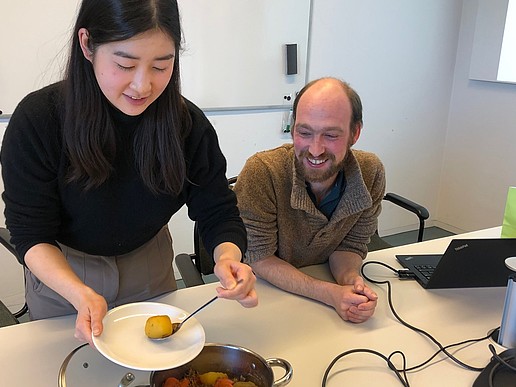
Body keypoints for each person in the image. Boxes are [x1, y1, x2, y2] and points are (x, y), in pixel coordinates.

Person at [1, 0, 257, 346]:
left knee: (156, 370)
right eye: (125, 64)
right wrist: (77, 292)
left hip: (149, 265)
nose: (142, 86)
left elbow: (217, 210)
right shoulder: (39, 121)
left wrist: (228, 258)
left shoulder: (185, 125)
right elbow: (30, 232)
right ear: (87, 44)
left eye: (161, 66)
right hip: (64, 273)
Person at [234, 77, 384, 323]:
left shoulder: (371, 173)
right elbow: (259, 258)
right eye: (304, 133)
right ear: (293, 129)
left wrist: (351, 282)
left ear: (354, 133)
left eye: (331, 135)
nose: (315, 149)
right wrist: (329, 294)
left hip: (323, 297)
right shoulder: (262, 172)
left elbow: (349, 247)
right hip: (267, 300)